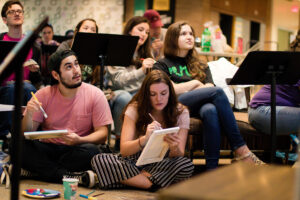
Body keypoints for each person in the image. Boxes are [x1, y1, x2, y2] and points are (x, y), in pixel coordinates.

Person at [153, 21, 264, 170]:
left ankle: (211, 170)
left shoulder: (200, 64)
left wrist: (191, 90)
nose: (189, 37)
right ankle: (241, 149)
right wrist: (195, 84)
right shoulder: (162, 64)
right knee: (218, 92)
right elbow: (167, 89)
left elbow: (209, 86)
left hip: (196, 105)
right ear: (173, 38)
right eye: (183, 34)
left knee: (210, 110)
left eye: (191, 34)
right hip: (175, 104)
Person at [21, 50, 113, 188]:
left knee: (92, 151)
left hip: (76, 148)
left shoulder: (95, 94)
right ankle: (68, 176)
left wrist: (80, 140)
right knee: (17, 145)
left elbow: (102, 134)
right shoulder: (43, 94)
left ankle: (37, 172)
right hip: (49, 148)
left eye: (76, 64)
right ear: (56, 75)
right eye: (69, 67)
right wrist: (29, 114)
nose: (76, 70)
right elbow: (26, 133)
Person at [91, 70, 194, 190]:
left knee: (186, 165)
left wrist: (174, 147)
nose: (158, 99)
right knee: (99, 159)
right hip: (134, 161)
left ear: (170, 93)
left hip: (161, 163)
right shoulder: (135, 108)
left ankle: (126, 180)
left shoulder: (181, 112)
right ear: (146, 94)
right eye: (153, 94)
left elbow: (179, 153)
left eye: (163, 93)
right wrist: (144, 139)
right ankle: (152, 185)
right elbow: (124, 150)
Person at [106, 16, 155, 148]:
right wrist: (143, 70)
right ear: (129, 31)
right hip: (118, 93)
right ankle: (120, 139)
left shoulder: (147, 53)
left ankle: (150, 141)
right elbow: (119, 81)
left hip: (140, 93)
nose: (144, 34)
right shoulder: (117, 50)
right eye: (140, 29)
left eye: (146, 32)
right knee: (126, 97)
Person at [0, 0, 41, 137]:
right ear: (4, 19)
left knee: (31, 90)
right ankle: (6, 136)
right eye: (12, 11)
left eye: (19, 11)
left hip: (26, 87)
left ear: (23, 16)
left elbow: (37, 80)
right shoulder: (1, 41)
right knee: (13, 88)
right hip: (4, 88)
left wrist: (36, 71)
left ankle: (31, 134)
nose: (16, 14)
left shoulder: (33, 45)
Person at [57, 18, 100, 86]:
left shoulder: (98, 51)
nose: (89, 31)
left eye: (93, 30)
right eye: (85, 28)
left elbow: (97, 80)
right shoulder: (66, 45)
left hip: (91, 89)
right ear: (77, 31)